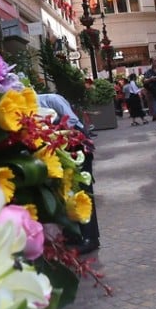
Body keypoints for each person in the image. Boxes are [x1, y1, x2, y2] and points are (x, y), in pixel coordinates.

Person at [36, 91, 100, 254]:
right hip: (60, 150)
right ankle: (76, 235)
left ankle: (90, 238)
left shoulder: (51, 99)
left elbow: (71, 120)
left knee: (83, 193)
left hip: (77, 147)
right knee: (68, 193)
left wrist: (51, 131)